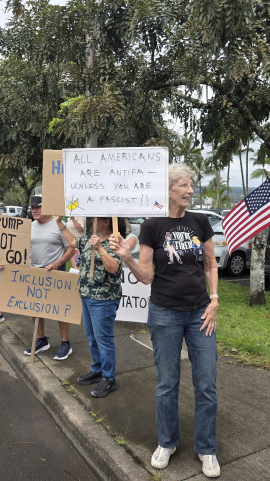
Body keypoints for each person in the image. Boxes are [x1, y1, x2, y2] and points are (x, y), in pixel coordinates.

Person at [109, 164, 220, 478]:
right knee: (167, 384)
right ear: (169, 188)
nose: (190, 190)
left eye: (191, 184)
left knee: (207, 384)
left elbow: (211, 265)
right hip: (164, 313)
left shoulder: (201, 222)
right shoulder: (152, 225)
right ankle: (167, 442)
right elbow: (145, 276)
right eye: (184, 185)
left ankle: (206, 448)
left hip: (201, 312)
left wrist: (214, 300)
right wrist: (126, 257)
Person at [56, 216, 126, 397]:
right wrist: (59, 223)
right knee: (92, 337)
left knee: (104, 338)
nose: (92, 221)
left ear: (106, 222)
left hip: (104, 299)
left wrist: (100, 248)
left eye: (96, 219)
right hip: (86, 295)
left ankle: (109, 378)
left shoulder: (115, 243)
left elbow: (113, 268)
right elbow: (72, 240)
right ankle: (98, 369)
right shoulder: (89, 238)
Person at [25, 195, 76, 360]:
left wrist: (57, 263)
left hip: (56, 272)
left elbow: (71, 248)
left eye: (38, 207)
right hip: (35, 273)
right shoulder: (29, 226)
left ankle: (65, 343)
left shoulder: (58, 225)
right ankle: (41, 339)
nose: (35, 210)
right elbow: (21, 249)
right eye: (33, 208)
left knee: (60, 309)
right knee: (35, 308)